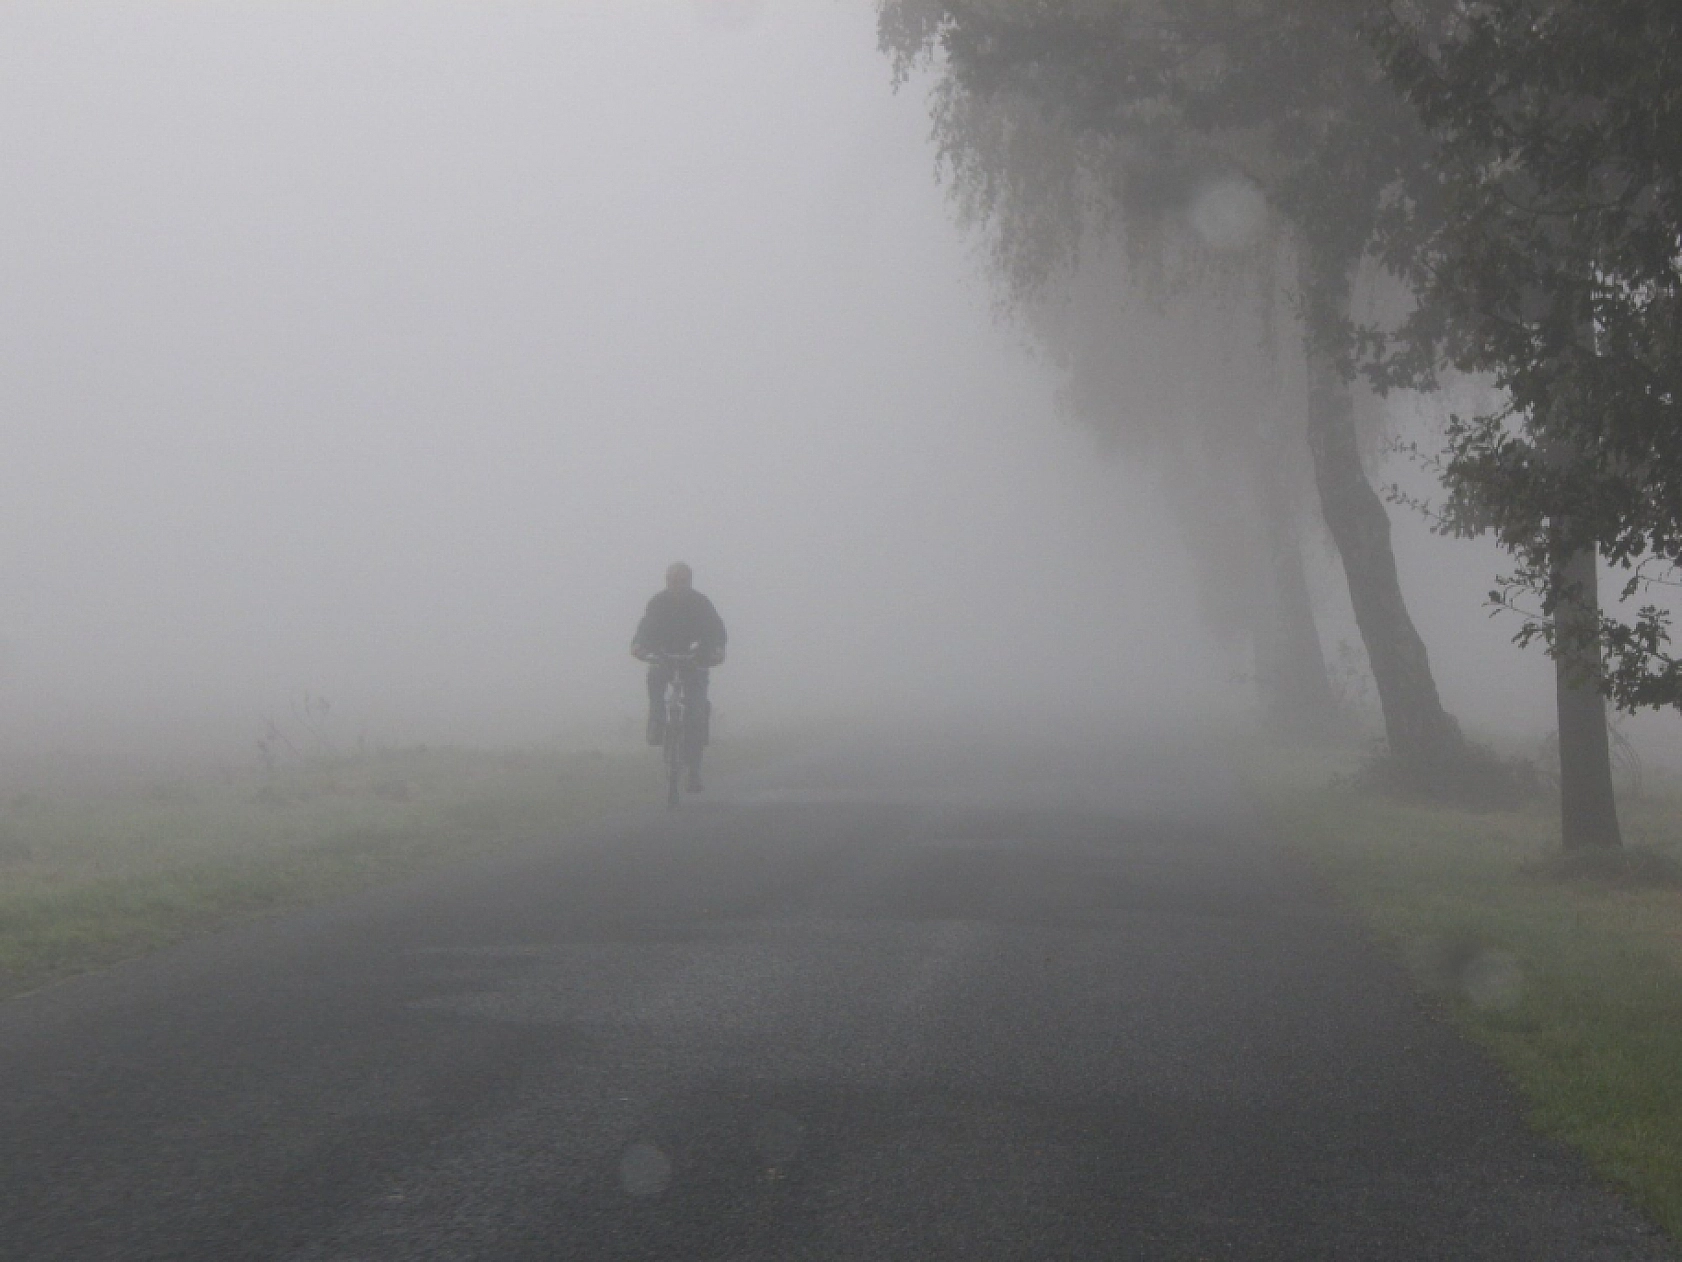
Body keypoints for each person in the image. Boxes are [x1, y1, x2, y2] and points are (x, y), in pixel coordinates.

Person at [631, 562, 727, 792]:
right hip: (664, 657)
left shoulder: (702, 604)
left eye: (681, 581)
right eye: (672, 581)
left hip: (695, 660)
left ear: (690, 582)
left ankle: (694, 772)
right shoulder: (657, 603)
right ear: (666, 581)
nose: (677, 586)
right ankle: (657, 720)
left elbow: (716, 629)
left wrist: (717, 649)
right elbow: (646, 627)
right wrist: (638, 645)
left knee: (696, 711)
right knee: (655, 680)